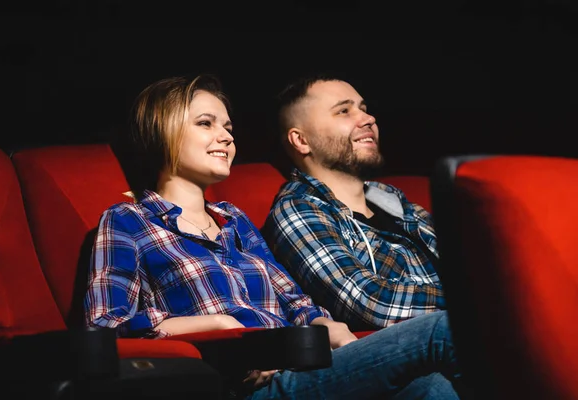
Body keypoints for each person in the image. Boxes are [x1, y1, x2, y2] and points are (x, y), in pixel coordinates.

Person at [84, 74, 462, 399]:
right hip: (239, 387)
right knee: (443, 330)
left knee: (430, 388)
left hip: (299, 369)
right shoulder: (128, 221)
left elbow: (296, 302)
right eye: (206, 123)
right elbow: (105, 326)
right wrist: (216, 326)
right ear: (159, 129)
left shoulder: (234, 221)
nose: (226, 137)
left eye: (228, 128)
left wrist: (324, 325)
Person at [261, 74, 445, 332]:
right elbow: (368, 301)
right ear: (301, 141)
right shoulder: (298, 208)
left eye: (364, 109)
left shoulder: (392, 199)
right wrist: (475, 299)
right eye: (344, 111)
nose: (368, 119)